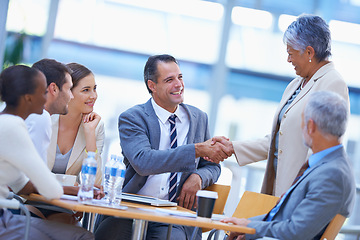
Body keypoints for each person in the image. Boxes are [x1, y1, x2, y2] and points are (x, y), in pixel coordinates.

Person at [94, 54, 232, 240]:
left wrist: (198, 176)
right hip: (128, 209)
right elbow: (144, 162)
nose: (179, 85)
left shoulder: (199, 118)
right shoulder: (133, 118)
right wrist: (196, 150)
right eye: (169, 80)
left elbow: (212, 166)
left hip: (172, 214)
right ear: (152, 86)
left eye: (180, 77)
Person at [211, 14, 350, 197]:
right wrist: (233, 147)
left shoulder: (332, 83)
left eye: (291, 53)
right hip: (276, 187)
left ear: (309, 52)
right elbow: (278, 141)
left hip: (299, 193)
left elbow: (322, 148)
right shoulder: (296, 84)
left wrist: (301, 193)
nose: (288, 60)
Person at [222, 91, 355, 240]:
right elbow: (283, 219)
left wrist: (249, 227)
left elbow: (296, 232)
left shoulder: (332, 174)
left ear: (310, 126)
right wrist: (246, 225)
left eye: (302, 120)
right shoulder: (327, 165)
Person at [0, 65, 94, 239]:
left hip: (6, 213)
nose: (46, 98)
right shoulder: (15, 126)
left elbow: (22, 184)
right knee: (82, 236)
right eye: (42, 93)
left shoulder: (6, 122)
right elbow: (50, 190)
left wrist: (73, 190)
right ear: (28, 98)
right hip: (4, 219)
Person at [47, 63, 105, 185]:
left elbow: (95, 184)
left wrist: (90, 134)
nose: (94, 96)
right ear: (67, 91)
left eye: (94, 89)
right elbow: (31, 175)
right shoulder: (46, 118)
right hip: (31, 198)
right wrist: (71, 182)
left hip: (65, 202)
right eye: (86, 90)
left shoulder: (96, 127)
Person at [25, 58, 74, 163]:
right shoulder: (41, 117)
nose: (71, 96)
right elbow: (35, 171)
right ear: (54, 89)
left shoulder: (20, 110)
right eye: (69, 89)